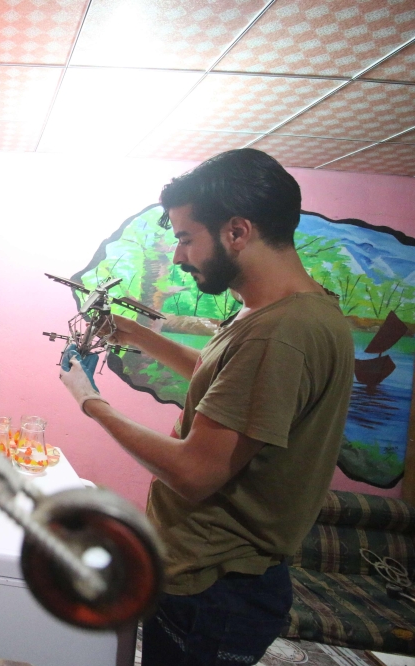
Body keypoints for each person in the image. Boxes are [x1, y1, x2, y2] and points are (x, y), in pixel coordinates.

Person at [59, 149, 354, 666]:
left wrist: (91, 402)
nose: (179, 256)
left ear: (237, 231)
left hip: (215, 589)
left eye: (186, 237)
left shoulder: (279, 333)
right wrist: (137, 336)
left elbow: (194, 473)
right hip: (212, 580)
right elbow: (227, 381)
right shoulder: (279, 312)